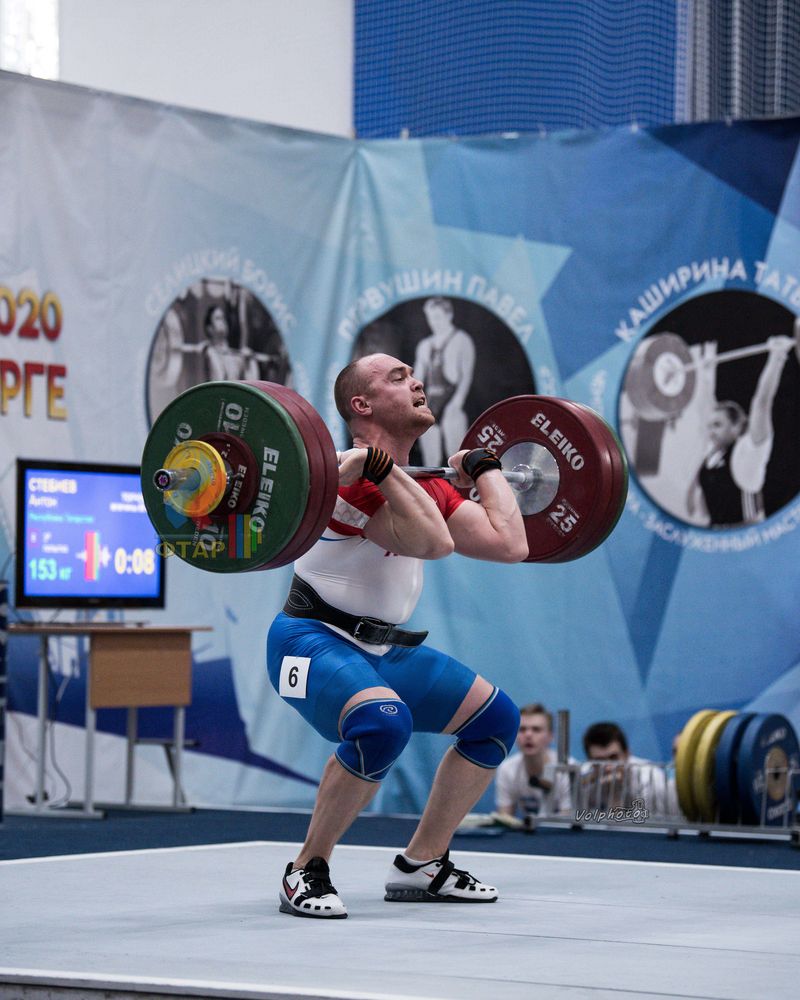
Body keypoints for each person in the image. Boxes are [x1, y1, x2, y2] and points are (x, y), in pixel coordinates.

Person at [266, 352, 528, 918]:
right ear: (361, 405)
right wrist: (380, 469)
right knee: (382, 724)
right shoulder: (348, 486)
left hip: (382, 649)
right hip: (309, 640)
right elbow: (434, 543)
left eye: (413, 374)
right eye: (398, 377)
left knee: (496, 721)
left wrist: (484, 466)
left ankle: (422, 864)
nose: (418, 382)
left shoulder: (414, 484)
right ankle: (305, 867)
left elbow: (511, 544)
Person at [687, 335, 794, 527]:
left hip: (749, 537)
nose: (710, 431)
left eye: (717, 425)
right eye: (711, 426)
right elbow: (705, 407)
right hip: (715, 535)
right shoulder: (714, 451)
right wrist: (706, 371)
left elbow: (762, 402)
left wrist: (776, 357)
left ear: (736, 427)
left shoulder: (748, 453)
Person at [413, 298, 476, 467]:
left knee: (457, 460)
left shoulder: (462, 340)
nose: (434, 322)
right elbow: (416, 380)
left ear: (449, 315)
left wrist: (456, 403)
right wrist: (418, 406)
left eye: (438, 317)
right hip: (431, 402)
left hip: (452, 402)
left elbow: (466, 376)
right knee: (430, 463)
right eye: (430, 317)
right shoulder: (424, 345)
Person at [494, 703, 575, 820]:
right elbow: (505, 818)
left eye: (536, 729)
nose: (528, 735)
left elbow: (567, 820)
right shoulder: (507, 769)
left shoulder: (568, 770)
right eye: (522, 729)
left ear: (550, 736)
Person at [581, 721, 670, 817]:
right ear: (590, 762)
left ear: (627, 754)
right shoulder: (585, 781)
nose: (608, 768)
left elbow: (643, 824)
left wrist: (614, 795)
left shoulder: (650, 779)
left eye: (613, 758)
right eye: (599, 761)